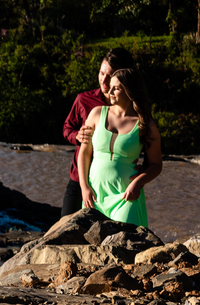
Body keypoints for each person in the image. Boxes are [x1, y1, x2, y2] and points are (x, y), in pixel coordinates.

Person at [77, 68, 162, 227]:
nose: (110, 91)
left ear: (130, 90)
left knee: (124, 245)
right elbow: (84, 153)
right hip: (94, 194)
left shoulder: (145, 124)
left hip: (126, 196)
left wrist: (138, 183)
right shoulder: (96, 114)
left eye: (116, 88)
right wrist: (84, 187)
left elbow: (156, 165)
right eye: (110, 87)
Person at [61, 47, 136, 218]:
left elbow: (145, 142)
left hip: (115, 186)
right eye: (101, 73)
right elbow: (66, 129)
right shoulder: (83, 100)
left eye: (110, 76)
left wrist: (143, 169)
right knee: (64, 230)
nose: (104, 80)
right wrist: (76, 136)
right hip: (80, 178)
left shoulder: (130, 108)